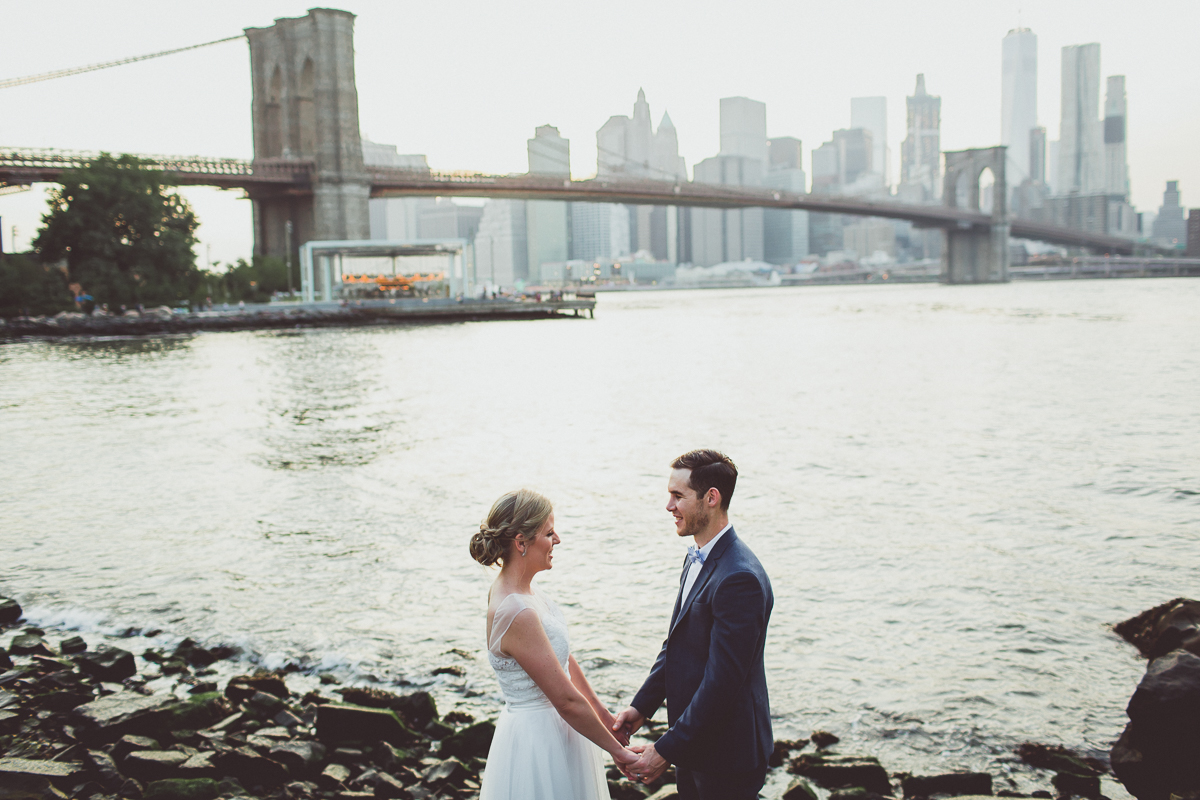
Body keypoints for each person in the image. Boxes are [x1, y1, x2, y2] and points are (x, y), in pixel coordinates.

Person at [614, 449, 774, 800]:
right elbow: (678, 645)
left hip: (728, 754)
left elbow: (723, 682)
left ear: (711, 498)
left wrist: (665, 750)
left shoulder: (739, 578)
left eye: (678, 496)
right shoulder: (698, 557)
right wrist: (641, 707)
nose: (668, 506)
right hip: (695, 744)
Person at [470, 489, 638, 800]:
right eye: (548, 533)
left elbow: (561, 659)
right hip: (539, 742)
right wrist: (619, 753)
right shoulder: (516, 610)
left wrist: (604, 715)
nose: (557, 539)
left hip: (563, 731)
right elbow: (565, 700)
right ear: (521, 542)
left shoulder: (523, 593)